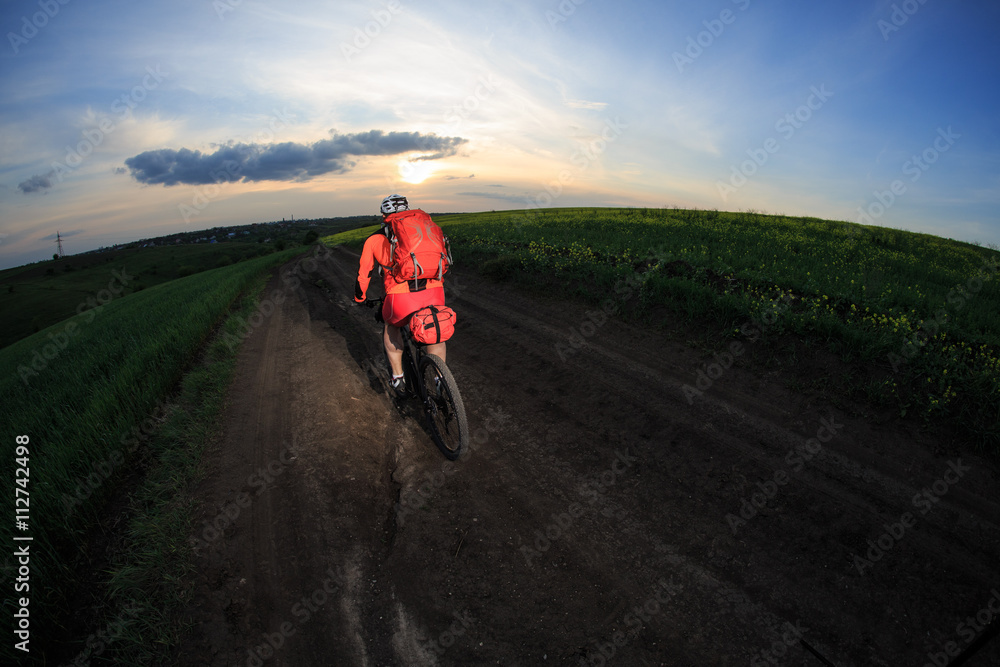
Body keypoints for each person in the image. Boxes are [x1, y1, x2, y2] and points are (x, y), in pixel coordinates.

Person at [353, 194, 447, 395]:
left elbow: (364, 273)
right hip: (435, 291)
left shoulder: (375, 239)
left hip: (400, 299)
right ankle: (441, 379)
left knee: (391, 326)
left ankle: (398, 378)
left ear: (384, 214)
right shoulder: (427, 229)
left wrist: (359, 298)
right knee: (434, 327)